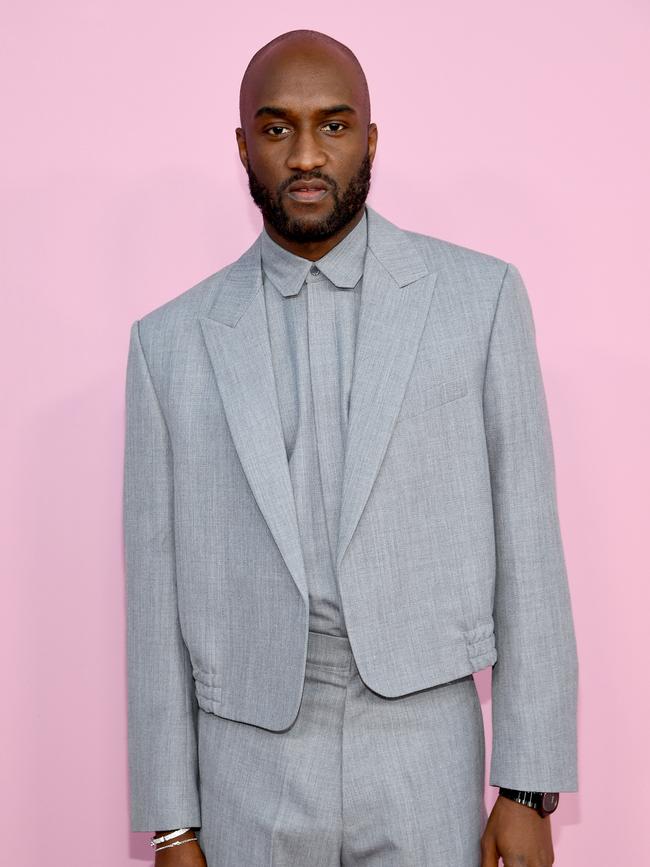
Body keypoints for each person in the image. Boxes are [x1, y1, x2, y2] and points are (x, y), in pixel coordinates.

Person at [123, 28, 579, 867]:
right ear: (242, 146)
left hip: (424, 737)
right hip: (247, 754)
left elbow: (531, 552)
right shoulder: (170, 343)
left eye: (333, 126)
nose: (305, 154)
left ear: (371, 137)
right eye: (276, 128)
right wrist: (174, 825)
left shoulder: (479, 301)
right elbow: (152, 600)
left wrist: (526, 787)